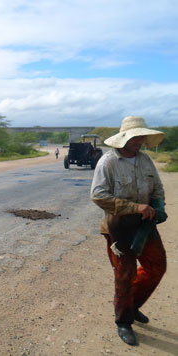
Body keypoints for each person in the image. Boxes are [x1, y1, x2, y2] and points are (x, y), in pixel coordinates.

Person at [90, 116, 167, 346]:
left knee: (157, 267)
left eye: (142, 136)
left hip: (145, 225)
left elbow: (158, 188)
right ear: (124, 138)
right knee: (125, 275)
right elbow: (98, 196)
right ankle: (123, 321)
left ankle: (131, 306)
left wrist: (158, 204)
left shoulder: (145, 161)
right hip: (118, 227)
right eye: (136, 136)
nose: (140, 141)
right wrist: (135, 207)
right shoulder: (108, 163)